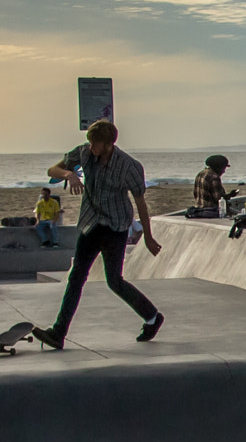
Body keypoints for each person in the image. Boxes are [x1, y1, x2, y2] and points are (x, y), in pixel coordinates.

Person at [35, 120, 165, 348]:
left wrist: (147, 235)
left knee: (114, 281)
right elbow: (52, 170)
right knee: (76, 278)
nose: (91, 147)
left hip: (115, 227)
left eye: (95, 144)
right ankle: (58, 333)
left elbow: (141, 202)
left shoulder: (128, 166)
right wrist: (69, 174)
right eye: (90, 143)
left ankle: (152, 317)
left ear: (108, 144)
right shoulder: (84, 153)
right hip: (91, 224)